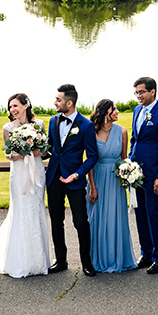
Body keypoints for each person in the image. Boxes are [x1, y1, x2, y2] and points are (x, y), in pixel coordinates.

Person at [0, 93, 51, 278]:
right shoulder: (8, 127)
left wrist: (36, 151)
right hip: (19, 172)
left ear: (25, 105)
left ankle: (39, 260)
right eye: (10, 107)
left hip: (36, 171)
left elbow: (45, 150)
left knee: (36, 209)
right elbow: (7, 153)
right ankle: (19, 260)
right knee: (21, 210)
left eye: (15, 106)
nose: (12, 110)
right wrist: (19, 154)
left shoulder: (39, 125)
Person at [44, 84, 98, 277]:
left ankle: (87, 263)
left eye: (58, 100)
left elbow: (92, 157)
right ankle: (61, 261)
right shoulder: (53, 121)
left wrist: (76, 174)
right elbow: (50, 149)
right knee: (56, 220)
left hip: (74, 180)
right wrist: (33, 148)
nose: (55, 102)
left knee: (81, 222)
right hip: (54, 178)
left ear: (69, 102)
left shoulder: (86, 125)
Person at [130, 76, 158, 274]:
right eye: (136, 92)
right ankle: (146, 252)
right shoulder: (136, 110)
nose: (138, 96)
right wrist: (130, 164)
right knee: (140, 213)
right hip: (135, 173)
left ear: (152, 92)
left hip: (153, 173)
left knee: (153, 213)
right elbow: (134, 139)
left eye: (141, 92)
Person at [86, 99, 137, 273]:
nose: (116, 111)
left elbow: (124, 159)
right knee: (97, 218)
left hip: (116, 181)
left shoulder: (122, 131)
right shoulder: (91, 132)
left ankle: (118, 258)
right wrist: (92, 187)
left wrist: (130, 175)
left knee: (116, 217)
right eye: (113, 109)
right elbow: (90, 162)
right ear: (104, 112)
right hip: (98, 177)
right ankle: (97, 259)